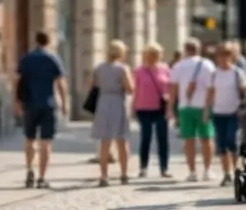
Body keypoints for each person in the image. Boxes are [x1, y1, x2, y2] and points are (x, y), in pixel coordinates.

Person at [13, 31, 68, 189]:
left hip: (29, 103)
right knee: (46, 141)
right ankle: (42, 177)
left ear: (35, 41)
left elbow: (17, 81)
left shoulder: (26, 58)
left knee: (29, 138)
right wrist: (65, 104)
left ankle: (29, 169)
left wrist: (16, 101)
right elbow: (61, 83)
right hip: (48, 104)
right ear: (48, 41)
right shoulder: (52, 58)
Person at [169, 37, 216, 182]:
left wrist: (170, 108)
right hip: (202, 106)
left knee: (188, 140)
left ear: (185, 50)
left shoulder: (178, 66)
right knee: (206, 139)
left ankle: (192, 172)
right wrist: (210, 106)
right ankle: (207, 170)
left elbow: (173, 89)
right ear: (199, 49)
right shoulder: (207, 65)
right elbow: (211, 88)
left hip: (185, 106)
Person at [89, 39, 134, 186]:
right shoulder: (123, 69)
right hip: (117, 102)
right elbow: (130, 88)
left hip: (103, 102)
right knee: (122, 140)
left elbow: (92, 85)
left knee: (105, 141)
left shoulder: (99, 68)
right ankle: (124, 174)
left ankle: (104, 176)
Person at [205, 41, 246, 187]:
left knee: (232, 141)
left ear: (232, 56)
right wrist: (206, 111)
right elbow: (210, 93)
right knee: (222, 144)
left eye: (227, 54)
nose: (223, 58)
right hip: (218, 113)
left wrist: (245, 93)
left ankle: (237, 170)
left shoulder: (237, 73)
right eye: (220, 55)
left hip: (234, 112)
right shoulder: (214, 74)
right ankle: (227, 174)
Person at [133, 42, 172, 179]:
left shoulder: (165, 69)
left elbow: (170, 89)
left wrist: (170, 108)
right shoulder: (139, 71)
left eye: (156, 54)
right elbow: (135, 90)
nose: (153, 57)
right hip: (143, 108)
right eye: (150, 54)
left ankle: (164, 168)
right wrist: (133, 108)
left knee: (163, 138)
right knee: (146, 138)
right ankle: (143, 167)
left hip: (161, 108)